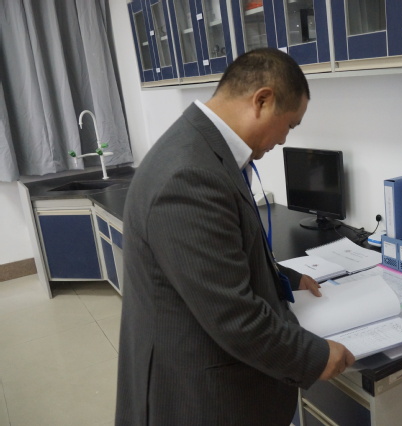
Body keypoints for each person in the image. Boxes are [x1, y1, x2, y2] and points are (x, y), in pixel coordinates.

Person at [115, 48, 355, 425]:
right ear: (262, 100)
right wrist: (317, 356)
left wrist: (283, 277)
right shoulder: (189, 176)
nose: (283, 140)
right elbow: (233, 317)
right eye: (290, 125)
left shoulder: (202, 147)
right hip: (198, 397)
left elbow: (217, 258)